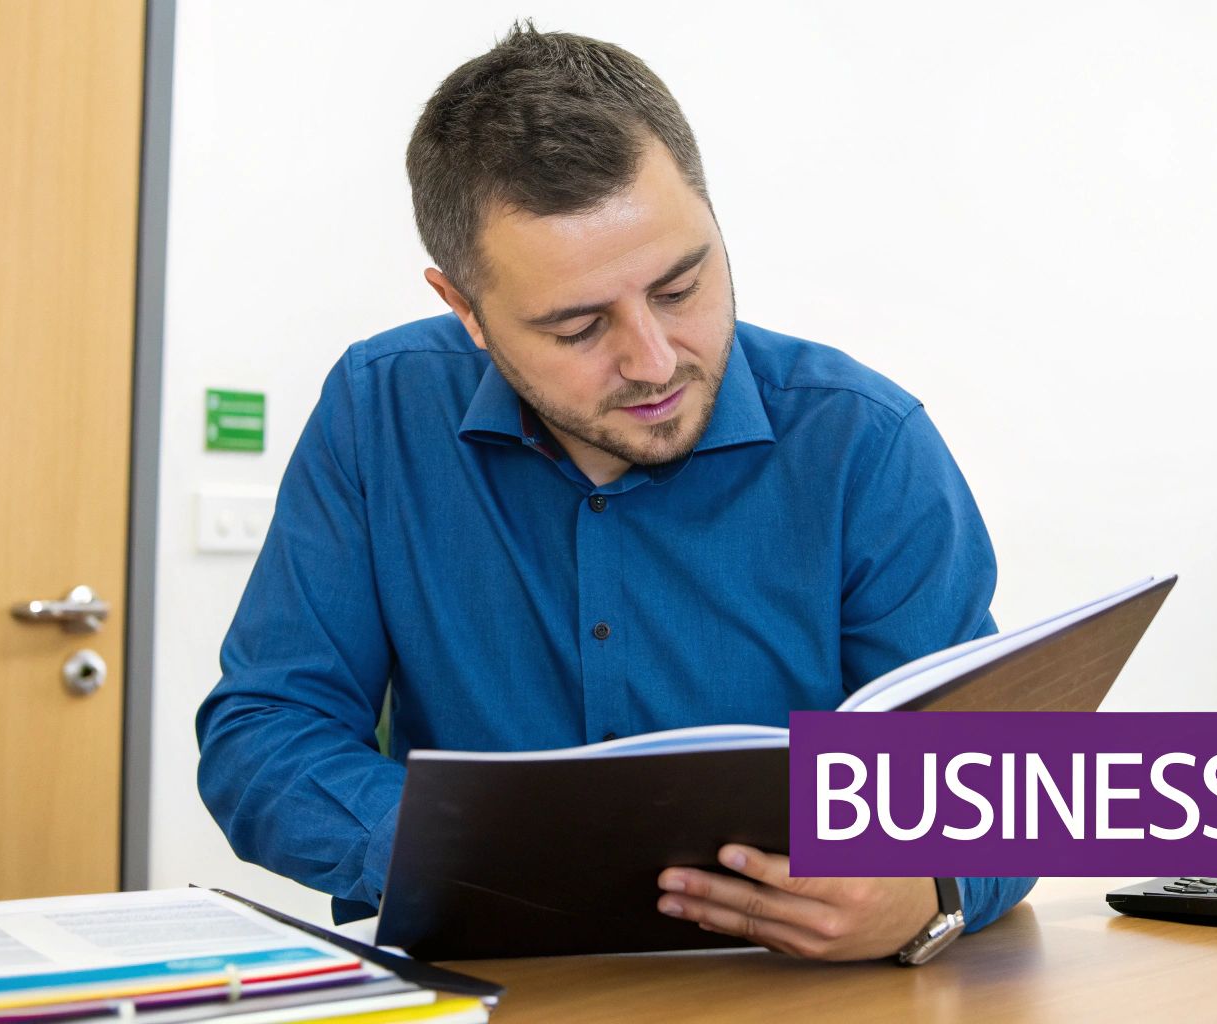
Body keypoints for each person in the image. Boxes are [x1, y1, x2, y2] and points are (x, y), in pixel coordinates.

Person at [195, 22, 1035, 962]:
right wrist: (455, 847)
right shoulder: (377, 409)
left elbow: (1001, 788)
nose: (653, 359)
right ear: (464, 309)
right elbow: (265, 732)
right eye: (579, 325)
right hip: (492, 988)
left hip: (794, 993)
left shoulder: (863, 442)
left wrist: (933, 888)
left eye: (681, 286)